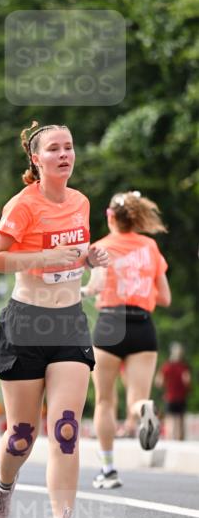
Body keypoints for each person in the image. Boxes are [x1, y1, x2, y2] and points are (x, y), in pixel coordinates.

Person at [0, 122, 109, 518]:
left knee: (66, 429)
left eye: (69, 147)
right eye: (53, 149)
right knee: (21, 434)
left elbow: (77, 251)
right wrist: (43, 257)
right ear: (36, 159)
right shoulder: (22, 206)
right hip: (26, 323)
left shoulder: (80, 201)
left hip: (69, 322)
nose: (64, 154)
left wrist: (91, 255)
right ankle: (4, 485)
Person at [84, 191, 171, 488]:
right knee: (136, 398)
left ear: (110, 216)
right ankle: (144, 409)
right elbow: (166, 297)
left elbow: (94, 286)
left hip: (110, 322)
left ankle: (108, 469)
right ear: (135, 218)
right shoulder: (150, 246)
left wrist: (87, 291)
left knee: (106, 401)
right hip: (143, 325)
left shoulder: (100, 247)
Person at [156, 342, 191, 441]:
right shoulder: (183, 367)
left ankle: (170, 440)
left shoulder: (166, 366)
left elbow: (159, 382)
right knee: (179, 420)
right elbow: (187, 381)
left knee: (170, 420)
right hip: (181, 397)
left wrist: (166, 386)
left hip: (170, 397)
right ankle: (179, 441)